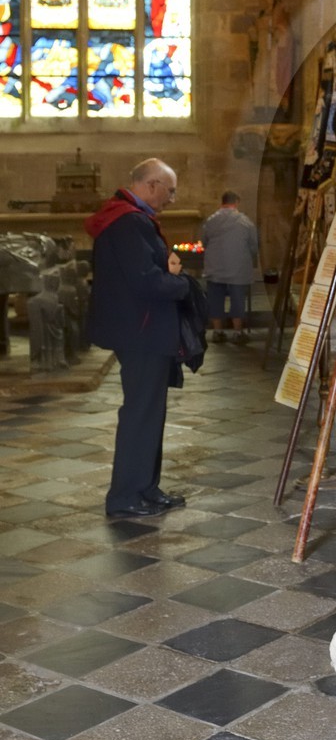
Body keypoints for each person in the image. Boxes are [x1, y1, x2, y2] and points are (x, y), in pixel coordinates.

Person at [84, 157, 188, 520]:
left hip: (142, 331)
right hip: (142, 332)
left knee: (149, 413)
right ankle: (125, 495)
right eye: (170, 191)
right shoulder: (129, 222)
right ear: (152, 185)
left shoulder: (129, 219)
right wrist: (182, 284)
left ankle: (145, 487)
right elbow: (145, 280)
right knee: (140, 414)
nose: (172, 199)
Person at [201, 190, 258, 344]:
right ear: (236, 202)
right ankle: (238, 333)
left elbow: (204, 242)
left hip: (215, 268)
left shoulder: (211, 220)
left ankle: (218, 332)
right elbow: (253, 245)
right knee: (238, 299)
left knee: (215, 299)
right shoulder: (245, 221)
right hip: (238, 269)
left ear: (222, 202)